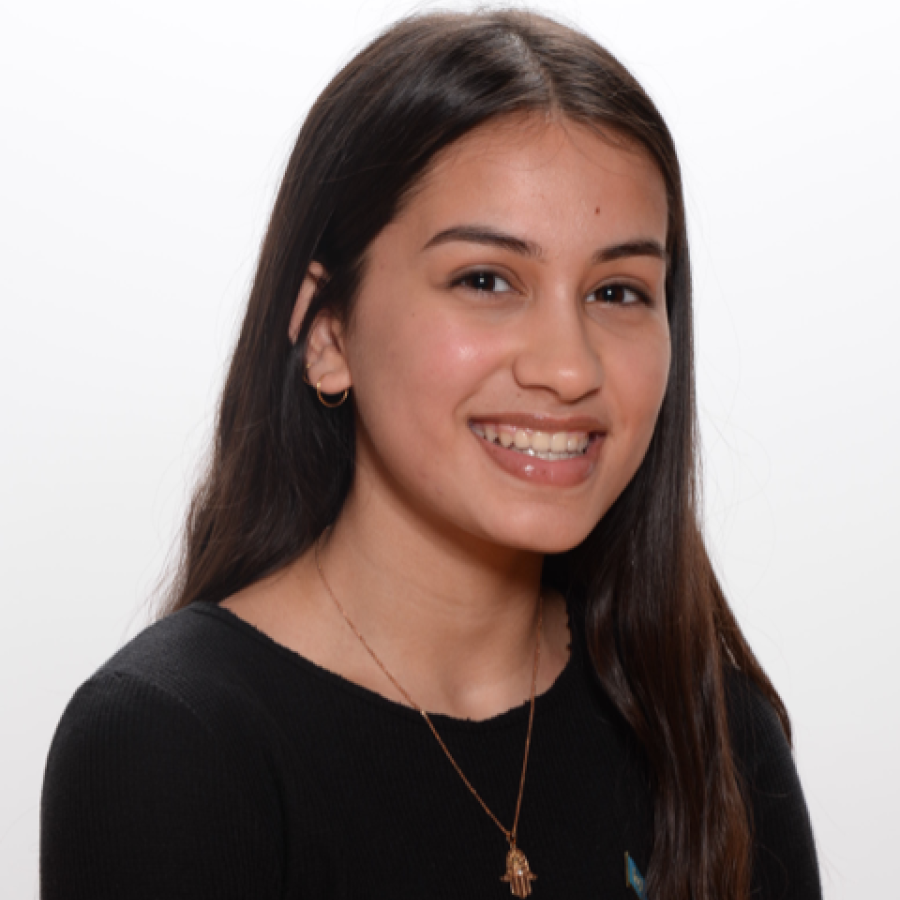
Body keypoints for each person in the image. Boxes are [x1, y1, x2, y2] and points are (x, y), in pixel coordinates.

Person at [39, 9, 821, 900]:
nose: (569, 368)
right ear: (326, 332)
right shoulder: (171, 744)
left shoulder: (712, 731)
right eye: (486, 280)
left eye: (617, 290)